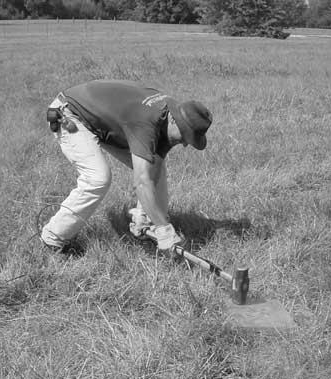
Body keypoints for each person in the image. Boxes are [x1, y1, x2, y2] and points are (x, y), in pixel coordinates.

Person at [41, 79, 213, 254]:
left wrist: (147, 218)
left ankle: (148, 225)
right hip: (71, 113)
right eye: (185, 136)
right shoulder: (146, 122)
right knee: (98, 178)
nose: (184, 143)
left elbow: (155, 165)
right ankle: (54, 238)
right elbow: (142, 181)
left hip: (105, 120)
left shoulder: (173, 113)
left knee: (156, 169)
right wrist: (165, 229)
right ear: (175, 121)